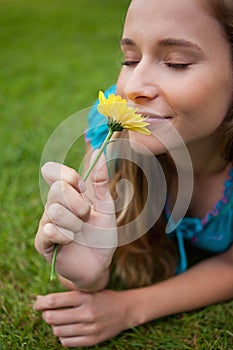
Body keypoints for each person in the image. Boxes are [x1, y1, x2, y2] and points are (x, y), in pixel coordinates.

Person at [33, 0, 233, 347]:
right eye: (130, 59)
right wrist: (89, 271)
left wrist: (130, 307)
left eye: (176, 63)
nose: (133, 87)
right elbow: (90, 258)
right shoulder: (110, 136)